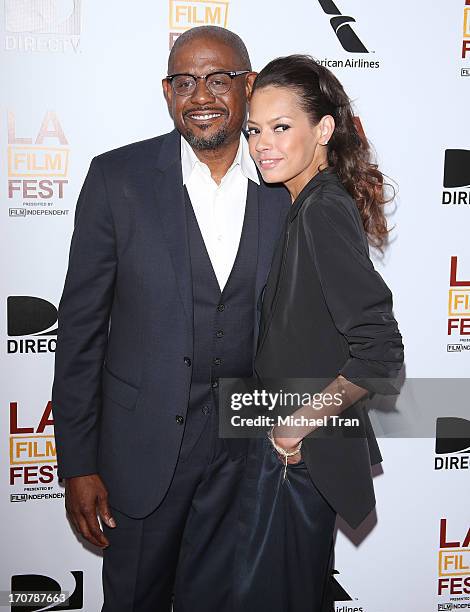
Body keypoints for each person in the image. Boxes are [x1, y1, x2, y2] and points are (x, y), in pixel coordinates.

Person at [51, 26, 290, 612]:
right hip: (143, 455)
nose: (200, 95)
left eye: (217, 79)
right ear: (166, 92)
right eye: (184, 82)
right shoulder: (117, 180)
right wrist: (78, 464)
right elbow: (80, 332)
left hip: (251, 455)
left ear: (248, 85)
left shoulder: (285, 189)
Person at [234, 55, 405, 611]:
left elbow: (379, 351)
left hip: (300, 459)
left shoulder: (321, 210)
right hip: (293, 455)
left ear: (323, 130)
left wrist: (296, 427)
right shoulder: (303, 203)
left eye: (281, 128)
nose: (263, 144)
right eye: (254, 130)